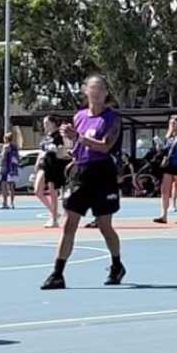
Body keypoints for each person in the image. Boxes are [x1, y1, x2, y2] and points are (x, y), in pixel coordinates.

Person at [40, 74, 125, 290]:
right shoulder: (78, 117)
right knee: (70, 223)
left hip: (103, 172)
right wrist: (67, 146)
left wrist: (78, 138)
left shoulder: (112, 118)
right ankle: (58, 273)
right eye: (93, 88)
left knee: (105, 225)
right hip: (81, 173)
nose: (97, 92)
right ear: (85, 91)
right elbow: (72, 148)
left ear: (106, 93)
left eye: (101, 88)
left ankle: (117, 264)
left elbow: (105, 146)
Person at [35, 115, 71, 227]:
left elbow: (64, 151)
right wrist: (37, 164)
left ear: (54, 124)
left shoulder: (59, 136)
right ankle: (55, 213)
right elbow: (41, 151)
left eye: (47, 123)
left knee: (53, 191)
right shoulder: (46, 137)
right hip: (44, 164)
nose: (44, 126)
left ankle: (54, 218)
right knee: (38, 190)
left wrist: (58, 151)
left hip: (54, 165)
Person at [0, 133, 20, 209]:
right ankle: (12, 203)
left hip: (7, 168)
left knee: (4, 185)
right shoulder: (15, 147)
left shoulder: (6, 146)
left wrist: (1, 165)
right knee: (12, 186)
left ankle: (5, 203)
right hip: (13, 168)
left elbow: (3, 157)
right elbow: (18, 158)